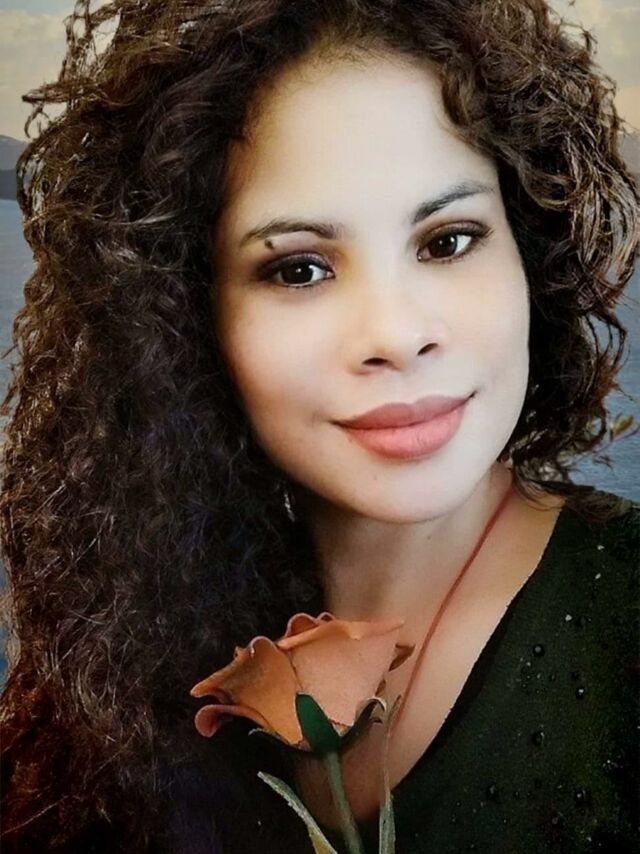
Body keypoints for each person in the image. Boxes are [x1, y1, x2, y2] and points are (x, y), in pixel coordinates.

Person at [0, 0, 637, 852]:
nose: (396, 335)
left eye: (449, 241)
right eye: (299, 269)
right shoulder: (129, 636)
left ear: (529, 252)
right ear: (185, 320)